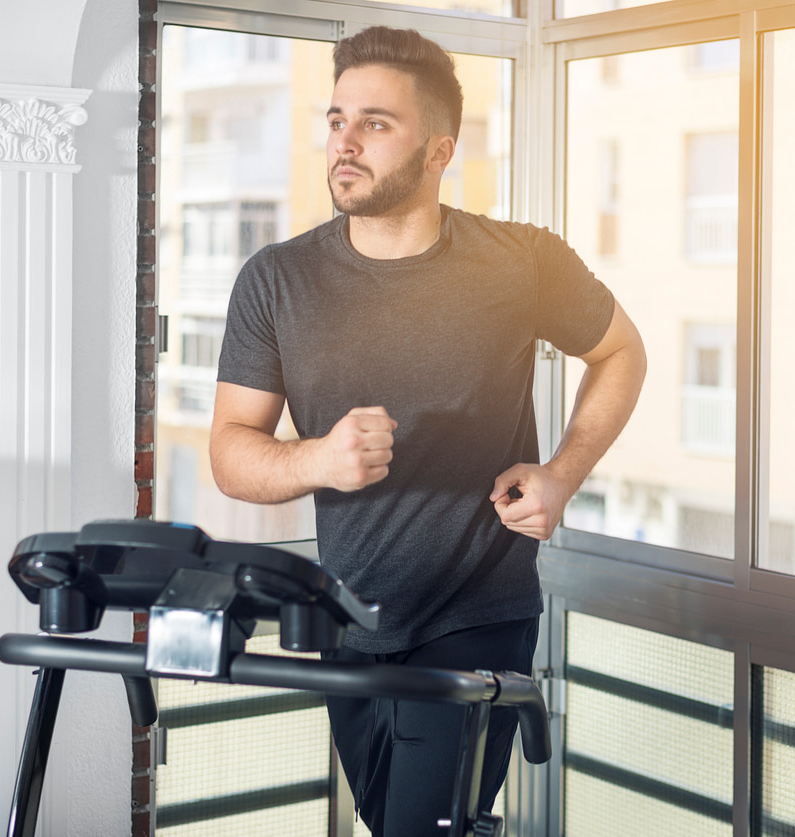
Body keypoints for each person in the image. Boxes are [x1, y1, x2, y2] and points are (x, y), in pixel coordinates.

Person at [209, 25, 646, 836]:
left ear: (441, 150)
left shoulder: (522, 262)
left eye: (376, 124)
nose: (346, 141)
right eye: (338, 119)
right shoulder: (276, 279)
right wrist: (318, 459)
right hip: (350, 621)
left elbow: (621, 351)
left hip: (476, 612)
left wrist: (563, 472)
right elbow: (232, 452)